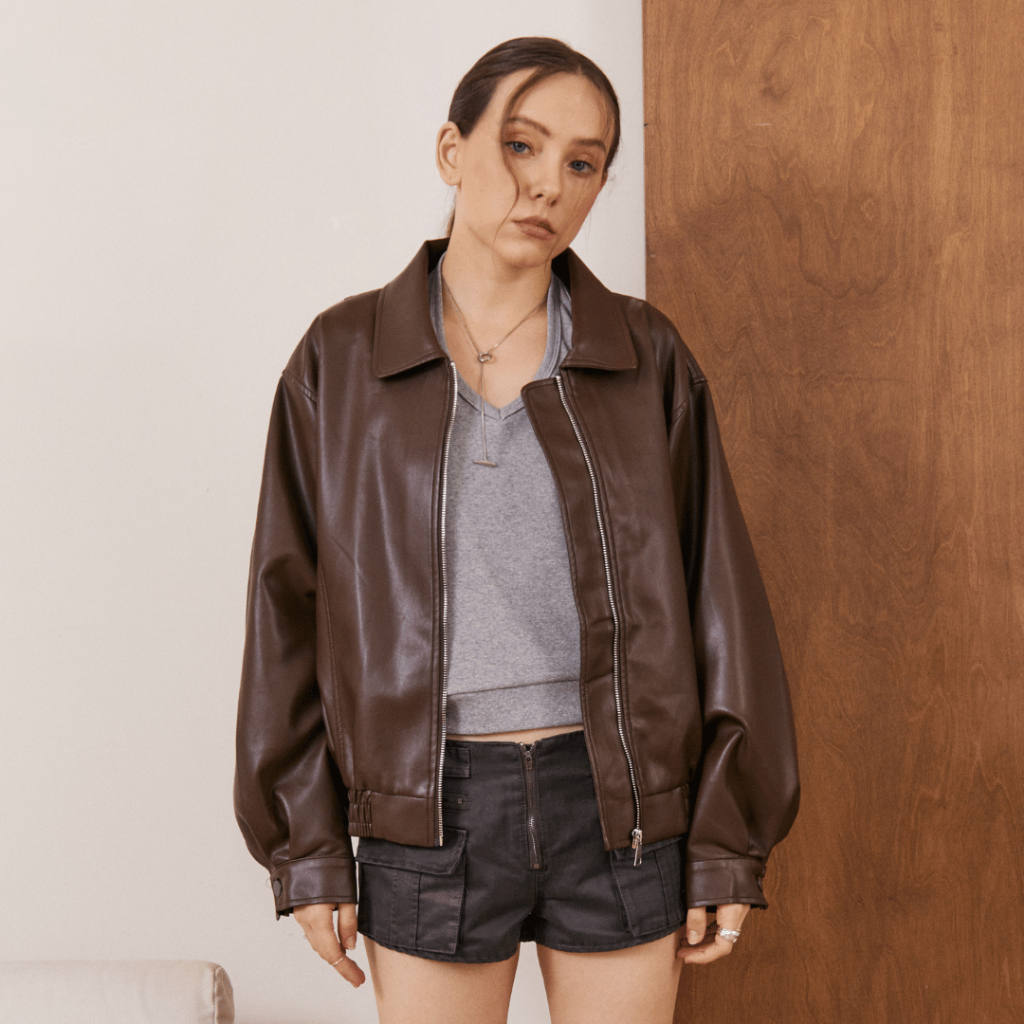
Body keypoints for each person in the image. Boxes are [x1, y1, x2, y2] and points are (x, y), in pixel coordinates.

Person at [234, 37, 799, 1024]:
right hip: (428, 807)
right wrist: (307, 849)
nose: (548, 185)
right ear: (452, 150)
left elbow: (720, 598)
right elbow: (287, 609)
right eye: (522, 145)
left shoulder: (644, 355)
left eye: (582, 163)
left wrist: (725, 840)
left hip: (620, 799)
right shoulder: (342, 358)